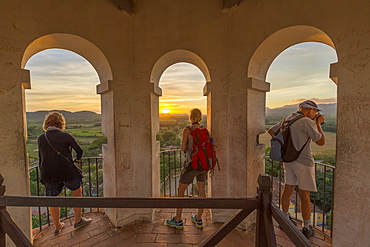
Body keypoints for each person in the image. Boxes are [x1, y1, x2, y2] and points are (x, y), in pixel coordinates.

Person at [268, 100, 325, 239]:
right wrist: (318, 124)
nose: (315, 115)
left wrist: (288, 147)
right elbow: (321, 141)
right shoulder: (306, 121)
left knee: (287, 190)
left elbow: (271, 131)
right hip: (303, 162)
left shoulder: (287, 118)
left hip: (289, 161)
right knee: (304, 195)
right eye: (315, 112)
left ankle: (285, 219)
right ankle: (306, 227)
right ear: (310, 110)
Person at [38, 111, 92, 236]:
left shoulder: (41, 138)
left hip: (49, 174)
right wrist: (77, 160)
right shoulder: (65, 136)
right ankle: (78, 220)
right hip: (67, 171)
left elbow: (41, 157)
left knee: (54, 200)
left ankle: (57, 226)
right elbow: (79, 150)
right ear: (60, 123)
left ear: (48, 123)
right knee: (77, 195)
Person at [166, 108, 208, 229]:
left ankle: (178, 220)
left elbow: (183, 148)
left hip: (192, 165)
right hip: (203, 165)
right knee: (201, 191)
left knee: (180, 190)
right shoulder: (205, 130)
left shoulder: (187, 130)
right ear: (200, 117)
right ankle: (199, 219)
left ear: (190, 117)